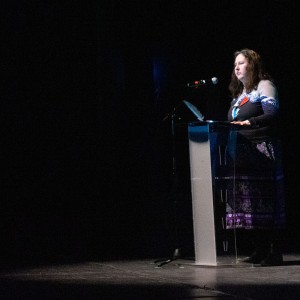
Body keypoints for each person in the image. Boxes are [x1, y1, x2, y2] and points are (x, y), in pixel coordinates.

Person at [226, 48, 286, 266]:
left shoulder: (264, 85)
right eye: (235, 64)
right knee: (248, 204)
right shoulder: (239, 95)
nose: (237, 67)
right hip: (241, 154)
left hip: (261, 150)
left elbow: (271, 113)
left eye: (241, 63)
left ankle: (274, 251)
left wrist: (250, 123)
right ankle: (259, 249)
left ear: (252, 65)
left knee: (265, 202)